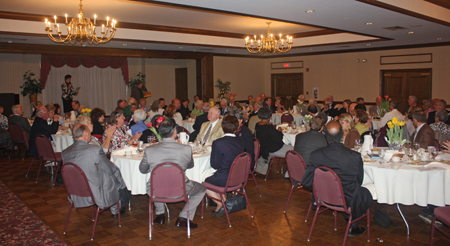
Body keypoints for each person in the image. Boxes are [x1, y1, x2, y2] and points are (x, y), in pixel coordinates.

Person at [304, 121, 373, 237]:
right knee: (366, 192)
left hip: (324, 196)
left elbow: (306, 181)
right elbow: (359, 181)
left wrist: (321, 189)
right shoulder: (354, 156)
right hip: (347, 200)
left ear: (325, 135)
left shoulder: (315, 155)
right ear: (342, 135)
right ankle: (353, 225)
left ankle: (350, 220)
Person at [139, 118, 206, 229]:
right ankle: (184, 218)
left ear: (159, 133)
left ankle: (160, 215)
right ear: (175, 132)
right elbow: (190, 166)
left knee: (156, 183)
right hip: (181, 188)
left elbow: (142, 170)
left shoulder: (149, 150)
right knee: (202, 189)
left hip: (156, 190)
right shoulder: (186, 149)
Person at [62, 124, 131, 218]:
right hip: (95, 192)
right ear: (85, 134)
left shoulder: (65, 152)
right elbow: (110, 169)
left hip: (75, 191)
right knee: (114, 176)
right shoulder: (94, 150)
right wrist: (122, 183)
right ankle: (115, 210)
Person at [205, 115, 245, 216]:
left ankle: (222, 204)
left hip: (224, 179)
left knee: (201, 181)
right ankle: (224, 202)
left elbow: (214, 165)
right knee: (216, 175)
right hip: (238, 177)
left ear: (222, 127)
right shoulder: (240, 141)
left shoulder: (218, 143)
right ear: (236, 128)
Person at [294, 116, 327, 184]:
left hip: (295, 172)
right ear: (322, 128)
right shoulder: (323, 139)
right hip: (310, 176)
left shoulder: (299, 136)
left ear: (309, 125)